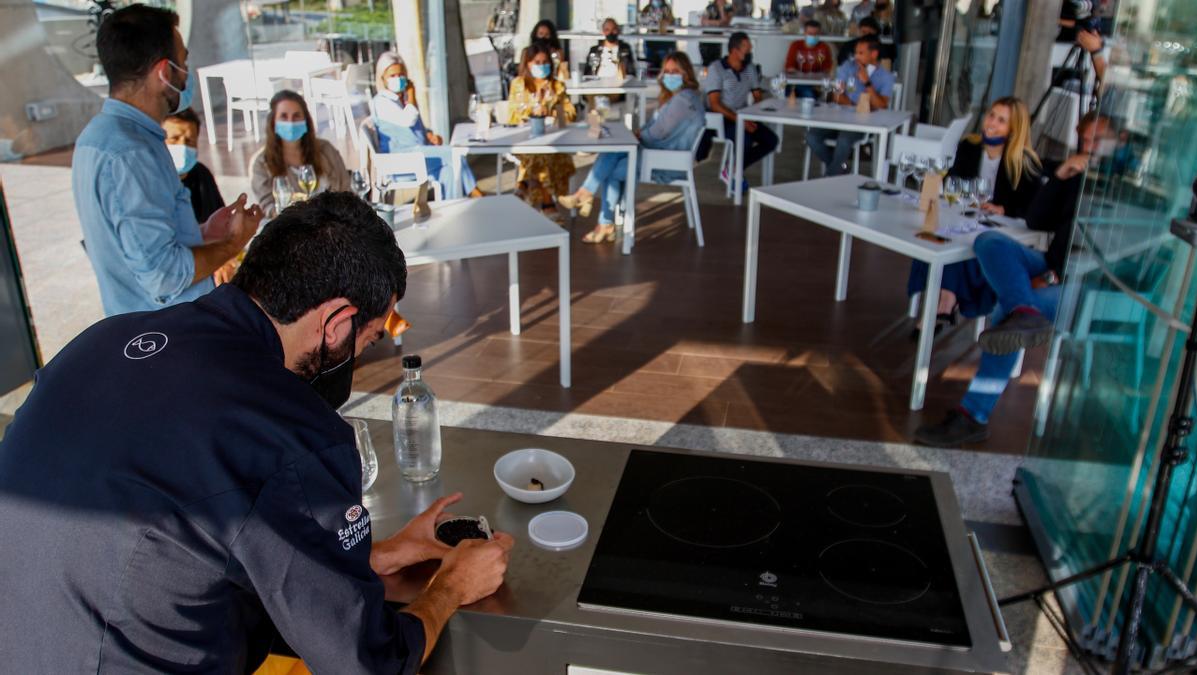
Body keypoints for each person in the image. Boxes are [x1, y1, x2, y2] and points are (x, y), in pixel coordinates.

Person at [0, 191, 515, 672]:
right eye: (371, 338)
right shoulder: (290, 433)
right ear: (337, 322)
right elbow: (365, 661)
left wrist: (365, 556)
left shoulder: (103, 339)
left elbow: (176, 511)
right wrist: (449, 587)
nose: (362, 355)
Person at [914, 113, 1115, 447]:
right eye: (1086, 140)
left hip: (1089, 283)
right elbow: (1036, 219)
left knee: (1004, 317)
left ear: (1118, 142)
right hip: (1052, 263)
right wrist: (1062, 175)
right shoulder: (1081, 174)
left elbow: (1107, 251)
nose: (1089, 147)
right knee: (988, 242)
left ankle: (973, 416)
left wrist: (1053, 275)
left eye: (1098, 140)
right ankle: (1024, 310)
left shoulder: (1125, 187)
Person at [71, 4, 260, 317]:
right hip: (166, 336)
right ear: (163, 72)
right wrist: (233, 244)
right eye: (183, 62)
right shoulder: (129, 152)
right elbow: (164, 276)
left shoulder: (103, 136)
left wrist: (203, 232)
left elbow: (141, 244)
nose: (186, 75)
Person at [907, 97, 1042, 327]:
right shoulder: (969, 146)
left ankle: (945, 301)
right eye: (991, 115)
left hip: (1001, 231)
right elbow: (953, 184)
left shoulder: (1024, 161)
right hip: (966, 218)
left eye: (1001, 121)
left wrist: (1004, 208)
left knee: (964, 243)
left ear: (1013, 129)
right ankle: (944, 299)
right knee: (934, 235)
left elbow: (1034, 206)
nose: (992, 123)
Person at [558, 51, 706, 244]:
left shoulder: (683, 100)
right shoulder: (681, 97)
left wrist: (636, 136)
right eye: (667, 71)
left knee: (611, 163)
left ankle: (590, 200)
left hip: (665, 163)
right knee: (612, 162)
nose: (669, 75)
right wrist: (637, 133)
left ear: (685, 74)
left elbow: (658, 132)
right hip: (661, 156)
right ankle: (600, 218)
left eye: (675, 71)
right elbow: (654, 127)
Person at [371, 52, 483, 199]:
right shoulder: (382, 102)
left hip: (419, 154)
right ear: (383, 79)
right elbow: (408, 120)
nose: (398, 79)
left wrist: (428, 134)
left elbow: (414, 128)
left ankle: (449, 210)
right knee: (455, 155)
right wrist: (412, 94)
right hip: (402, 160)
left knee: (448, 172)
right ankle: (477, 194)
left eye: (401, 74)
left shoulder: (401, 99)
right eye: (392, 76)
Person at [507, 41, 578, 220]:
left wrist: (553, 111)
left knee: (544, 153)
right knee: (539, 154)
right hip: (525, 140)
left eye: (545, 62)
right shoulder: (519, 84)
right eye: (537, 62)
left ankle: (523, 184)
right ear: (528, 64)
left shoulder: (558, 86)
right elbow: (512, 114)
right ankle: (547, 203)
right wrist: (533, 111)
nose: (541, 66)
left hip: (552, 138)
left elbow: (570, 113)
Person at [250, 89, 350, 215]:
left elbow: (346, 189)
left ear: (306, 120)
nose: (291, 122)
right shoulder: (261, 163)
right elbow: (267, 206)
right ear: (273, 122)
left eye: (296, 116)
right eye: (284, 116)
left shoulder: (326, 149)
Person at [806, 36, 894, 176]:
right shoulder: (847, 67)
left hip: (865, 123)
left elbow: (882, 105)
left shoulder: (886, 76)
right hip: (839, 118)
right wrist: (856, 105)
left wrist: (867, 83)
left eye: (861, 53)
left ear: (874, 54)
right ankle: (841, 169)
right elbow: (836, 94)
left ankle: (829, 177)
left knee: (844, 140)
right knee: (812, 136)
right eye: (856, 53)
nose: (856, 57)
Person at [706, 32, 778, 186]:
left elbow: (757, 96)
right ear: (734, 50)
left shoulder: (750, 69)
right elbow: (714, 104)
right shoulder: (716, 69)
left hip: (743, 115)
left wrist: (754, 114)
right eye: (746, 46)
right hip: (722, 118)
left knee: (771, 140)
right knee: (745, 138)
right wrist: (741, 121)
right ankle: (734, 173)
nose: (750, 49)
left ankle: (732, 168)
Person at [163, 107, 225, 223]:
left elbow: (219, 219)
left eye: (189, 141)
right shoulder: (150, 183)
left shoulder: (202, 174)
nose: (183, 146)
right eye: (174, 139)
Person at [784, 20, 834, 96]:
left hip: (816, 84)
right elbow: (789, 67)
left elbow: (827, 69)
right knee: (807, 93)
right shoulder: (796, 45)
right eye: (810, 34)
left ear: (819, 34)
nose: (813, 36)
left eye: (815, 34)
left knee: (810, 93)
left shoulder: (824, 47)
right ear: (804, 33)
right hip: (797, 82)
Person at [640, 0, 676, 72]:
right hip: (651, 41)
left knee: (665, 65)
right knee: (650, 64)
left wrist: (664, 22)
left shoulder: (667, 8)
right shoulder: (647, 8)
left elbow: (671, 21)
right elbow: (641, 20)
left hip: (664, 41)